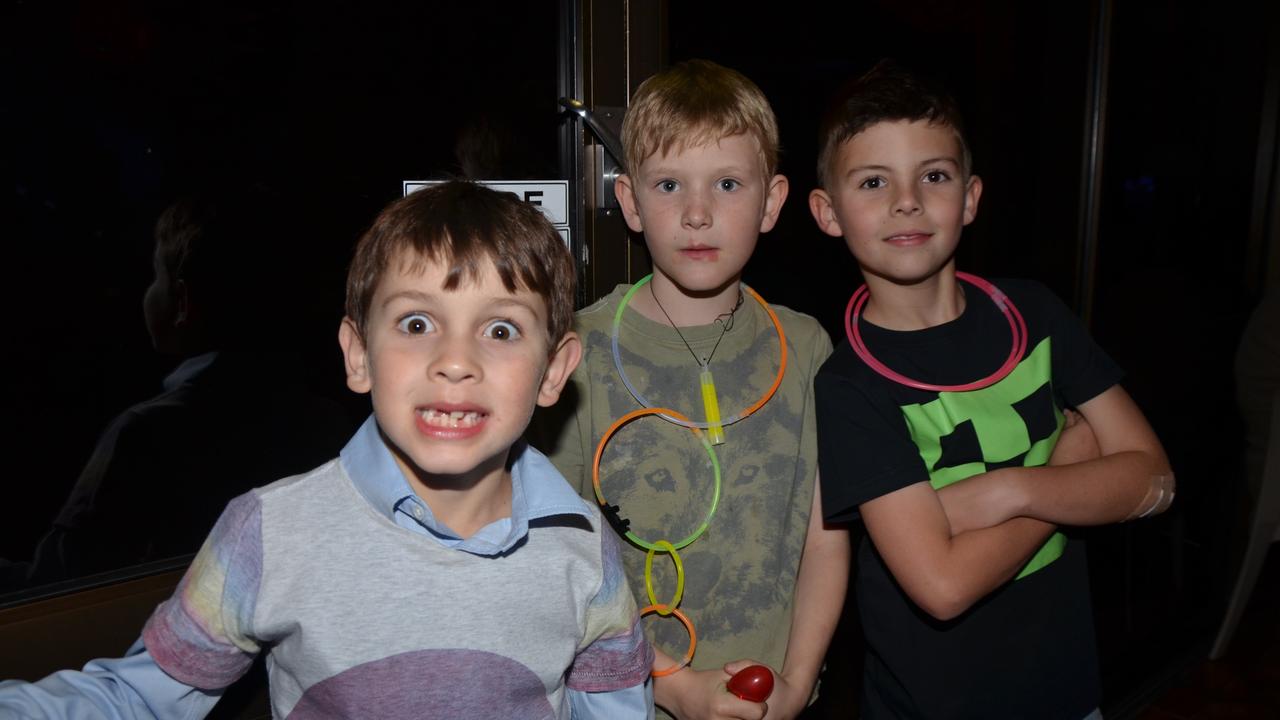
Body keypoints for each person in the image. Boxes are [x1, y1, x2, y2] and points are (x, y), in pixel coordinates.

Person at [0, 181, 655, 719]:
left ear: (552, 371)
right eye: (417, 323)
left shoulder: (582, 547)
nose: (455, 361)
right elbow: (137, 698)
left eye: (502, 328)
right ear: (359, 354)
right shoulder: (269, 534)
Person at [807, 60, 1174, 719]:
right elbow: (942, 585)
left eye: (935, 176)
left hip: (1068, 690)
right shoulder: (847, 386)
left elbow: (1152, 478)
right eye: (872, 181)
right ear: (828, 213)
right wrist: (1064, 474)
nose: (907, 200)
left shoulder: (1034, 315)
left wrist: (1007, 490)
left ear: (970, 198)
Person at [533, 59, 849, 720]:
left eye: (728, 184)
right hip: (627, 700)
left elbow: (825, 535)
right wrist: (672, 683)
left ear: (771, 203)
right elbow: (559, 560)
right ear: (630, 202)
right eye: (669, 184)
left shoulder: (809, 347)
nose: (698, 213)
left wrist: (795, 681)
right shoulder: (577, 355)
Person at [1, 187, 357, 592]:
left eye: (155, 274)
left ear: (183, 300)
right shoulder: (326, 422)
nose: (147, 292)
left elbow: (58, 586)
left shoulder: (145, 432)